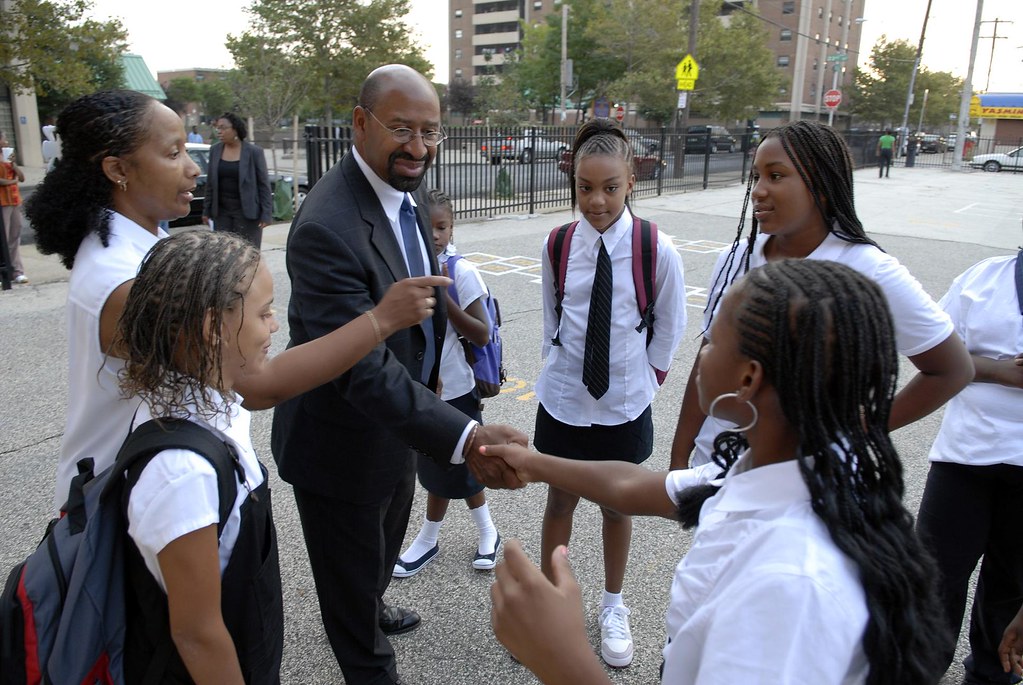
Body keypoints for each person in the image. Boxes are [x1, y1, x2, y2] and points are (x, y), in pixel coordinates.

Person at [486, 258, 950, 685]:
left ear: (747, 379)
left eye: (713, 340)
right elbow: (632, 485)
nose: (702, 351)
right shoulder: (775, 470)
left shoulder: (788, 583)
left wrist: (562, 657)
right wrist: (534, 464)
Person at [23, 89, 445, 514]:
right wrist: (379, 321)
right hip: (136, 503)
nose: (193, 169)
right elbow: (258, 384)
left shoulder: (136, 246)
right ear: (117, 169)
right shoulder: (124, 280)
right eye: (173, 154)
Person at [270, 64, 527, 685]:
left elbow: (423, 295)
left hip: (400, 424)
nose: (418, 147)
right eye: (402, 129)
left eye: (430, 131)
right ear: (360, 124)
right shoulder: (327, 227)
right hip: (341, 443)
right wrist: (465, 435)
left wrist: (434, 378)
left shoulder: (405, 189)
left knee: (381, 550)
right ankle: (365, 645)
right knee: (351, 592)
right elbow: (360, 371)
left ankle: (374, 600)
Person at [669, 120, 974, 470]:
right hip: (716, 463)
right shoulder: (737, 257)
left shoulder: (868, 269)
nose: (758, 190)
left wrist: (854, 431)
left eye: (776, 176)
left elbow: (952, 370)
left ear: (822, 185)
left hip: (809, 477)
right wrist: (680, 455)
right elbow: (707, 354)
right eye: (756, 176)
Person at [532, 118, 686, 668]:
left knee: (617, 506)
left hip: (623, 402)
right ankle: (551, 606)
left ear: (631, 182)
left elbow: (669, 325)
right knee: (560, 499)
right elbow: (553, 316)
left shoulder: (655, 248)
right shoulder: (557, 244)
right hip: (565, 401)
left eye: (610, 187)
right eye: (585, 188)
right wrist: (556, 366)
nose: (596, 201)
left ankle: (613, 605)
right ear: (573, 183)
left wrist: (647, 380)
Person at [117, 229, 284, 683]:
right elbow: (197, 633)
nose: (274, 326)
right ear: (214, 328)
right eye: (264, 313)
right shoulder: (181, 472)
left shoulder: (212, 404)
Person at [916, 251, 1023, 685]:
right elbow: (935, 354)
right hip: (965, 456)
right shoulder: (984, 277)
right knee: (934, 573)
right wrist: (999, 371)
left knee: (1009, 583)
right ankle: (919, 669)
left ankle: (991, 675)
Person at [393, 189, 501, 578]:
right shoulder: (408, 267)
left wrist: (445, 299)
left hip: (458, 388)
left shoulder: (462, 272)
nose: (435, 235)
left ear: (452, 229)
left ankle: (487, 532)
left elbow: (481, 333)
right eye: (427, 227)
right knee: (433, 466)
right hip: (423, 389)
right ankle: (429, 538)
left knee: (467, 463)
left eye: (442, 227)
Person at [202, 112, 272, 248]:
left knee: (247, 252)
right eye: (217, 128)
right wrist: (206, 210)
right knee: (223, 251)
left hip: (247, 213)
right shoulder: (215, 150)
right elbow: (210, 183)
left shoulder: (254, 152)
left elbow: (263, 185)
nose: (219, 131)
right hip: (222, 213)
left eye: (223, 128)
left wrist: (266, 214)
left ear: (235, 129)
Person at [0, 133, 27, 284]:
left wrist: (14, 165)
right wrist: (11, 182)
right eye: (3, 139)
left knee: (14, 235)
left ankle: (17, 271)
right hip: (2, 202)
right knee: (3, 237)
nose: (6, 141)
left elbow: (21, 178)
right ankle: (3, 271)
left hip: (15, 200)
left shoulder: (9, 157)